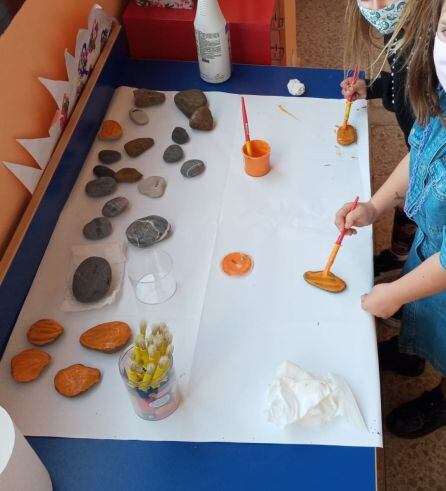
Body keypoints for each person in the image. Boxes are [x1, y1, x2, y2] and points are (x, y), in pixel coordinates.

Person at [336, 0, 446, 438]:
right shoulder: (439, 93)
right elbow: (418, 153)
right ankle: (410, 351)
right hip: (428, 255)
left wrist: (395, 294)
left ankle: (442, 397)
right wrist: (375, 207)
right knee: (424, 315)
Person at [343, 0, 417, 293]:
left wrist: (402, 294)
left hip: (429, 148)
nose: (375, 6)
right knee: (408, 201)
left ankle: (410, 281)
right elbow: (406, 81)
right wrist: (375, 87)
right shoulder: (399, 22)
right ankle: (400, 258)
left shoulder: (431, 38)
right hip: (417, 141)